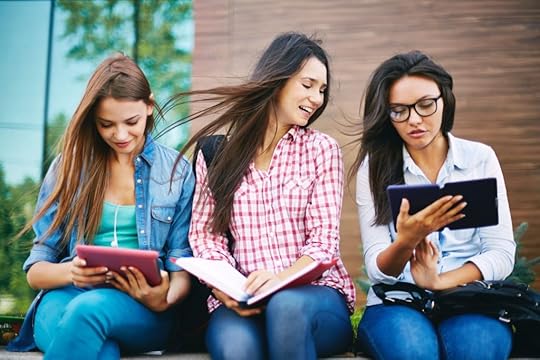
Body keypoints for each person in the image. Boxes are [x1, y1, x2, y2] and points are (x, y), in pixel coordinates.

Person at [169, 32, 356, 359]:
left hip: (315, 300)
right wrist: (224, 288)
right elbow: (205, 234)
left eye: (322, 90)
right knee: (236, 348)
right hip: (242, 300)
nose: (316, 98)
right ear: (277, 80)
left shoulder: (321, 150)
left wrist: (279, 281)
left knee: (286, 307)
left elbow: (323, 241)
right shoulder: (218, 153)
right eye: (308, 84)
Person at [7, 54, 196, 359]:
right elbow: (36, 271)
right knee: (102, 349)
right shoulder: (69, 168)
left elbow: (181, 264)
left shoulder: (176, 170)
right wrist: (72, 273)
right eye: (106, 124)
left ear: (149, 106)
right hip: (64, 298)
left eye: (131, 122)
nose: (120, 135)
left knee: (89, 312)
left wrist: (163, 298)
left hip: (141, 309)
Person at [351, 50, 516, 359]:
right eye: (399, 111)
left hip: (469, 298)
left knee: (474, 350)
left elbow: (502, 253)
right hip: (397, 302)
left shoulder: (480, 158)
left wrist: (440, 281)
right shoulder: (374, 168)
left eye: (425, 105)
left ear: (445, 99)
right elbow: (378, 269)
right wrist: (407, 241)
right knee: (413, 352)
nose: (414, 119)